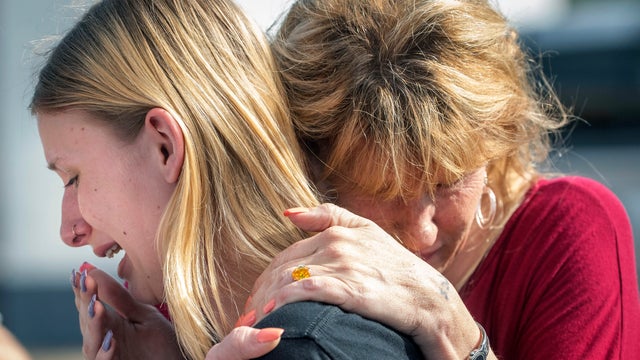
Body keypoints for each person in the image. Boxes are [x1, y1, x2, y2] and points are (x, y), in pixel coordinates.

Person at [233, 0, 640, 358]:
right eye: (385, 190)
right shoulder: (282, 242)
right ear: (312, 166)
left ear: (496, 144)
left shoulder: (568, 229)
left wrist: (446, 322)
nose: (424, 233)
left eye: (449, 182)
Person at [30, 0, 422, 359]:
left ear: (164, 147)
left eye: (73, 178)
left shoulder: (302, 345)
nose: (70, 231)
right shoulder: (310, 330)